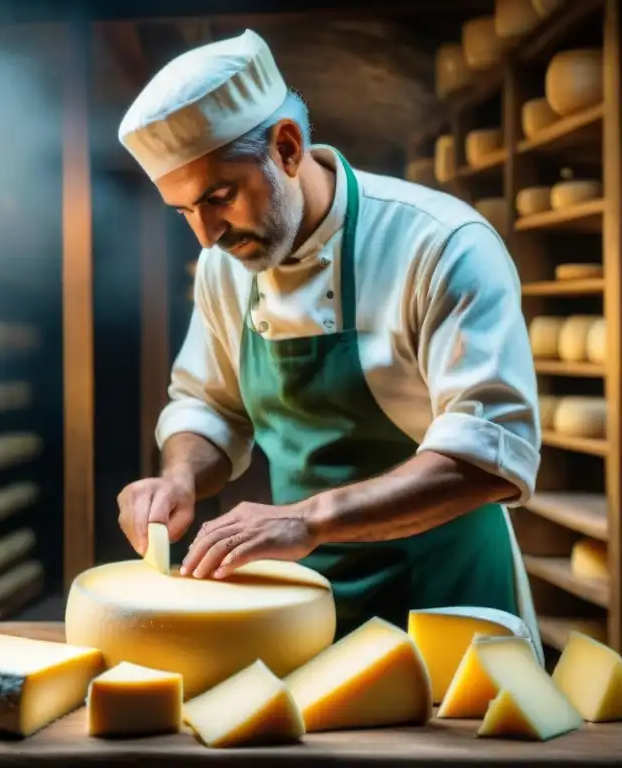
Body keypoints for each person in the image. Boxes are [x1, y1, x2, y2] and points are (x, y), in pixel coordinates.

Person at [115, 29, 543, 654]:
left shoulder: (441, 245)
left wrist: (309, 517)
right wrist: (178, 476)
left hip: (450, 603)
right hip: (307, 603)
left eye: (219, 197)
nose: (206, 237)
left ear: (287, 148)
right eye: (184, 212)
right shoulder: (224, 267)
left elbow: (488, 457)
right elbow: (209, 406)